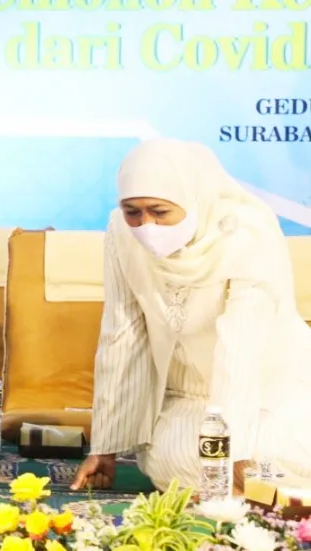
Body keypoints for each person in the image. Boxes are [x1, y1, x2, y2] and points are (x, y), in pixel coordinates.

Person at [70, 137, 311, 494]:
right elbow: (122, 333)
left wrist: (234, 448)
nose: (146, 224)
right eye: (132, 211)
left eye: (159, 211)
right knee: (173, 459)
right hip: (188, 399)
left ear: (194, 198)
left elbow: (241, 346)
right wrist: (104, 447)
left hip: (270, 390)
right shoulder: (121, 233)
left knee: (273, 453)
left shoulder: (247, 232)